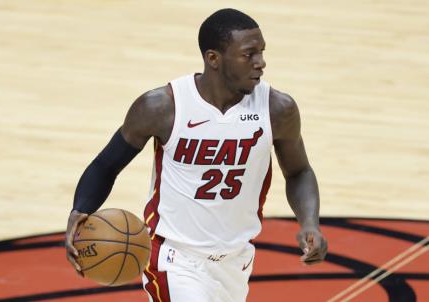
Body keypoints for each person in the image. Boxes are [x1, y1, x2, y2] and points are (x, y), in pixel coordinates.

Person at [65, 8, 327, 302]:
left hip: (236, 260)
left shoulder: (277, 109)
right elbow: (106, 164)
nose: (261, 63)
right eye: (249, 54)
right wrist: (81, 208)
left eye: (262, 52)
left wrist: (309, 223)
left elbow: (299, 172)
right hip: (176, 260)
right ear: (213, 58)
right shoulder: (163, 107)